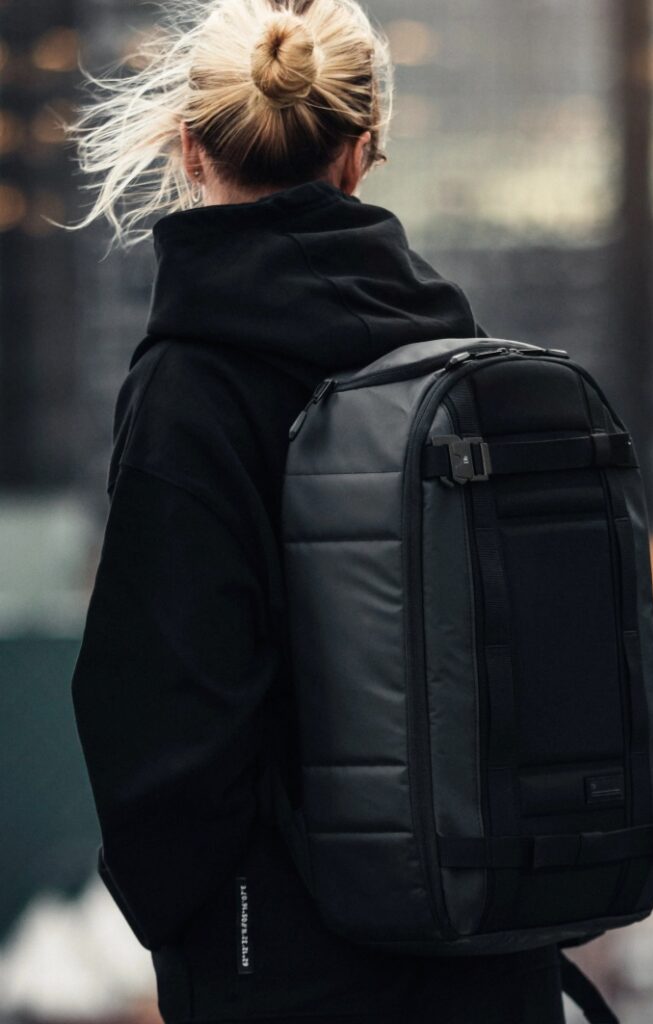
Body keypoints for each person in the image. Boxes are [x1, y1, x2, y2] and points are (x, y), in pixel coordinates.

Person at [67, 2, 567, 1022]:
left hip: (285, 970)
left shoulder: (189, 390)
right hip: (489, 951)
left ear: (190, 148)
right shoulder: (460, 359)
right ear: (361, 152)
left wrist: (201, 926)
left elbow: (158, 715)